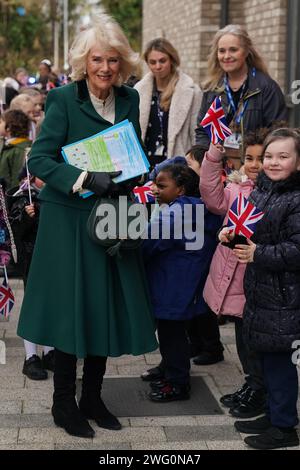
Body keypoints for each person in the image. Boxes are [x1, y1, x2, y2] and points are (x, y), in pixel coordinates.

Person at [17, 13, 158, 439]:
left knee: (104, 308)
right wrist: (80, 178)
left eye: (113, 60)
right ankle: (64, 404)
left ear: (122, 64)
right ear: (84, 61)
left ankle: (92, 398)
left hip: (112, 216)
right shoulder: (62, 98)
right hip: (69, 220)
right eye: (98, 59)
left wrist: (134, 174)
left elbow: (132, 149)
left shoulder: (130, 98)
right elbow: (39, 159)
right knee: (70, 310)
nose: (105, 68)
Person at [232, 128, 300, 449]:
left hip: (287, 296)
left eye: (283, 156)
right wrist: (232, 233)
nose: (272, 162)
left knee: (281, 364)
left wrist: (258, 253)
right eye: (269, 155)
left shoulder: (296, 198)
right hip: (262, 290)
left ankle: (285, 427)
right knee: (266, 359)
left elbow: (296, 250)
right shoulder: (263, 189)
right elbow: (249, 224)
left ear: (298, 162)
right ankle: (274, 414)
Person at [200, 128, 269, 419]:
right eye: (249, 158)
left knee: (254, 342)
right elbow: (211, 194)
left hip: (256, 281)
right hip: (233, 277)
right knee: (242, 339)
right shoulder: (235, 190)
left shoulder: (274, 195)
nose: (254, 164)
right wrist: (215, 154)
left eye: (261, 158)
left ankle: (260, 389)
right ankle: (251, 383)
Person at [143, 164, 221, 401]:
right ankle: (169, 369)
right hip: (181, 281)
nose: (155, 189)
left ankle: (177, 383)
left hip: (174, 283)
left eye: (162, 185)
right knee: (173, 332)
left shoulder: (179, 212)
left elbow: (151, 242)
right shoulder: (194, 209)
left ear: (181, 190)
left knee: (171, 335)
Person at [195, 24, 287, 165]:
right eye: (221, 51)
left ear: (246, 52)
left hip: (254, 170)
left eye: (233, 50)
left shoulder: (267, 88)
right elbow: (203, 131)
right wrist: (206, 161)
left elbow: (277, 134)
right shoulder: (212, 89)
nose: (226, 56)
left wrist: (257, 164)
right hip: (218, 170)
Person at [7, 174, 54, 380]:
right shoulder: (23, 197)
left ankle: (50, 350)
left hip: (53, 258)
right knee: (34, 306)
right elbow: (14, 229)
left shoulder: (54, 196)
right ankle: (30, 356)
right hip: (32, 258)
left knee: (53, 305)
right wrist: (27, 216)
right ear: (32, 177)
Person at [134, 38, 202, 169]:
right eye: (152, 62)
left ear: (172, 60)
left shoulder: (192, 91)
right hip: (145, 165)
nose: (158, 66)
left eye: (162, 61)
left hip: (177, 165)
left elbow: (197, 133)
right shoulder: (138, 90)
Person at [0, 109, 31, 190]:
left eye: (1, 122)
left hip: (11, 194)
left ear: (9, 128)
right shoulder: (7, 144)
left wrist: (12, 196)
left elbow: (16, 177)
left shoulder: (20, 150)